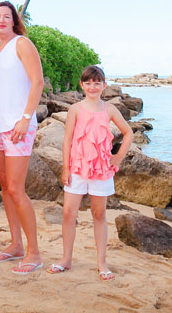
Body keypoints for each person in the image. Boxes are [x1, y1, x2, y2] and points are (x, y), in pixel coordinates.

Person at [0, 1, 46, 274]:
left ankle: (34, 252)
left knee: (16, 189)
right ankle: (16, 244)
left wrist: (26, 118)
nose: (1, 20)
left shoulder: (22, 44)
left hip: (18, 127)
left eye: (7, 16)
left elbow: (37, 82)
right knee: (5, 187)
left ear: (14, 21)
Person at [48, 65, 133, 280]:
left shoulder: (110, 109)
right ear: (82, 85)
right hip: (77, 168)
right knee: (69, 213)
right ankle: (66, 259)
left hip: (101, 170)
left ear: (104, 85)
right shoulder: (75, 109)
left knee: (99, 214)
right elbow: (67, 140)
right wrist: (66, 167)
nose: (92, 87)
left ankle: (101, 263)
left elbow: (128, 133)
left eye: (97, 83)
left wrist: (118, 157)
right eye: (88, 83)